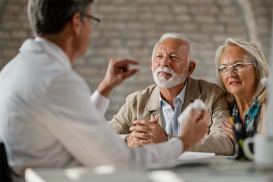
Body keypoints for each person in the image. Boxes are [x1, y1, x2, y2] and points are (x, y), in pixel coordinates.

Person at [0, 0, 210, 180]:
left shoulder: (13, 70)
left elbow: (73, 123)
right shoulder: (56, 81)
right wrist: (183, 142)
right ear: (76, 23)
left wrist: (104, 88)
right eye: (92, 20)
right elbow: (121, 163)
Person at [110, 33, 234, 155]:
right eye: (159, 56)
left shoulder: (213, 95)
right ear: (152, 65)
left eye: (174, 57)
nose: (164, 63)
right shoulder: (136, 102)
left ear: (190, 68)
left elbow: (225, 143)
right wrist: (128, 141)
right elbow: (104, 136)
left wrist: (167, 140)